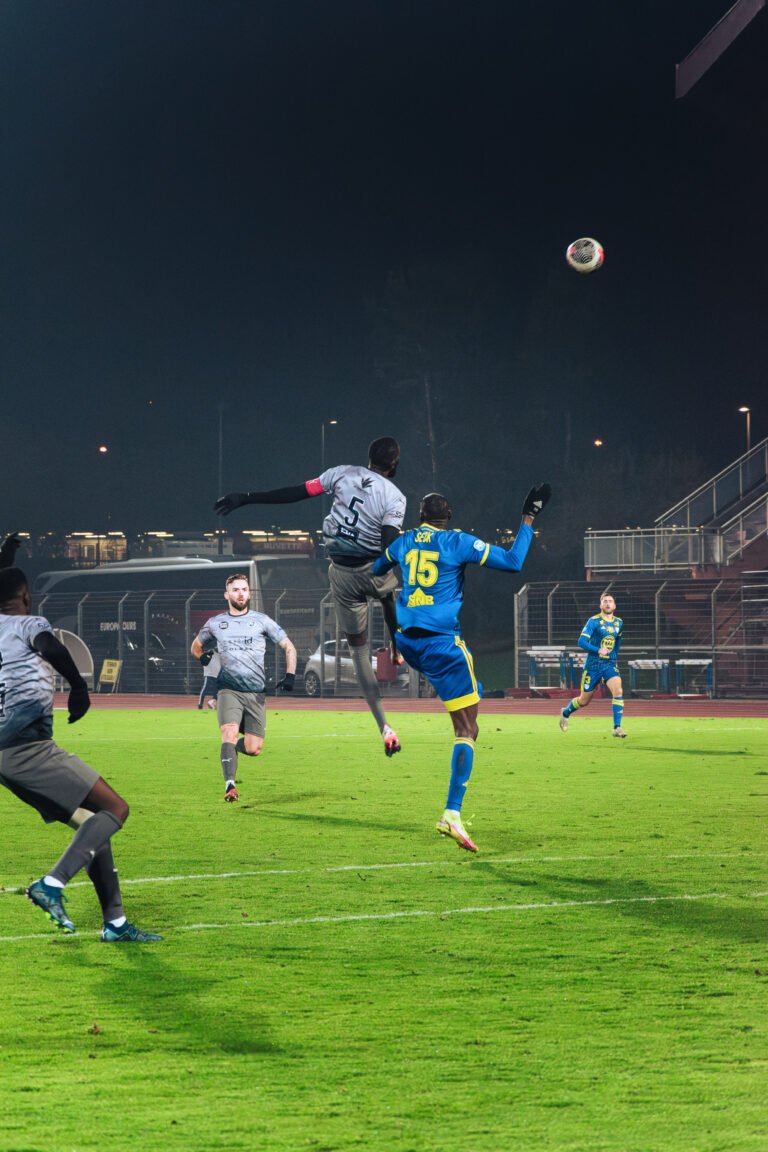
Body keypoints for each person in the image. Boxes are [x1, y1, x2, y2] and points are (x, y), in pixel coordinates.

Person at [372, 483, 551, 853]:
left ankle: (452, 811)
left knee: (466, 709)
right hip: (440, 644)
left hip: (408, 640)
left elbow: (377, 568)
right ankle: (451, 813)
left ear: (421, 518)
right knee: (468, 728)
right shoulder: (456, 541)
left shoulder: (404, 542)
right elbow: (514, 562)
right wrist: (528, 518)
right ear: (448, 517)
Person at [214, 436, 406, 757]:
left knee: (359, 655)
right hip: (371, 567)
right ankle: (397, 640)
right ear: (395, 464)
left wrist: (247, 498)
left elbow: (295, 493)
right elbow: (389, 545)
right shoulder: (395, 497)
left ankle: (384, 725)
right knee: (390, 591)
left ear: (368, 457)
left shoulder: (341, 473)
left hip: (342, 573)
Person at [0, 564, 162, 941]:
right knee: (115, 809)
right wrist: (78, 687)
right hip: (29, 747)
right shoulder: (28, 624)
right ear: (26, 596)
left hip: (7, 756)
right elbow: (50, 645)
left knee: (93, 828)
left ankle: (116, 924)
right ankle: (51, 885)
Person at [191, 573, 297, 802]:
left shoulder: (262, 620)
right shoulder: (216, 623)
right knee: (227, 732)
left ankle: (230, 752)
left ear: (249, 593)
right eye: (236, 589)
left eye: (244, 589)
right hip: (228, 689)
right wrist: (203, 658)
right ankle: (230, 785)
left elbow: (289, 646)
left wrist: (290, 675)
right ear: (227, 594)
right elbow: (196, 646)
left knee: (253, 748)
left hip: (256, 693)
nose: (241, 593)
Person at [559, 593, 626, 737]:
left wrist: (614, 656)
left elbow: (618, 641)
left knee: (618, 690)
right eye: (605, 601)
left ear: (614, 606)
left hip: (608, 665)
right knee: (584, 700)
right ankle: (565, 712)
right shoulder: (593, 621)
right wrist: (598, 650)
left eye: (610, 601)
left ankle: (617, 728)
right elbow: (581, 642)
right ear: (601, 605)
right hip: (593, 667)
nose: (608, 604)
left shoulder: (619, 623)